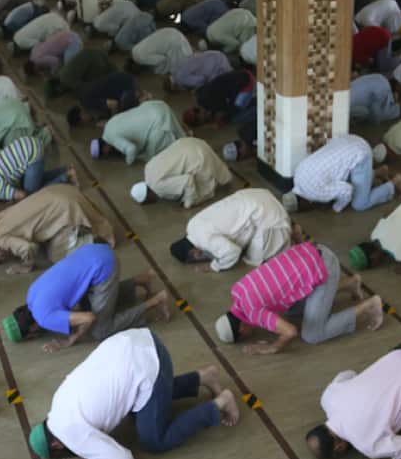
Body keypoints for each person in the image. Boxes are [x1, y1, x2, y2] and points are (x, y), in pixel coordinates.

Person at [29, 328, 240, 459]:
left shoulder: (70, 434)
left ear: (57, 444)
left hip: (151, 364)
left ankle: (220, 403)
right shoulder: (57, 404)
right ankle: (204, 377)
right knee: (136, 408)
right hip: (138, 339)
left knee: (154, 441)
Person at [215, 241, 385, 354]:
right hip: (310, 251)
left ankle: (369, 305)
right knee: (291, 311)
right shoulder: (237, 290)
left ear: (242, 331)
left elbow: (290, 332)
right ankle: (350, 283)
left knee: (312, 334)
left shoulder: (253, 313)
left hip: (325, 266)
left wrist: (271, 348)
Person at [2, 243, 168, 351]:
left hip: (104, 266)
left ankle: (155, 301)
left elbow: (89, 317)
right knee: (93, 304)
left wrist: (71, 339)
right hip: (92, 251)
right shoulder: (31, 294)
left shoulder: (45, 318)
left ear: (31, 329)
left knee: (100, 330)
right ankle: (142, 279)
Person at [0, 185, 114, 272]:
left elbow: (29, 248)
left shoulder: (2, 240)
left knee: (55, 256)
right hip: (58, 190)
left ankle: (91, 240)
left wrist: (26, 266)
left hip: (64, 206)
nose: (4, 259)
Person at [169, 188, 298, 272]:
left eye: (194, 258)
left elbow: (233, 252)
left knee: (254, 261)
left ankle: (292, 232)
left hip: (266, 213)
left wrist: (213, 266)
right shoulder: (191, 225)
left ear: (194, 253)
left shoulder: (206, 241)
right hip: (256, 194)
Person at [286, 134, 401, 213]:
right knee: (344, 180)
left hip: (360, 154)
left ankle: (395, 183)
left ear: (303, 205)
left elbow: (347, 190)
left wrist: (336, 208)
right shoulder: (298, 175)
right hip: (346, 141)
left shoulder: (316, 193)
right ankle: (380, 172)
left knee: (359, 204)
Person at [131, 136, 232, 208]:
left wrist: (187, 204)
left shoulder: (158, 188)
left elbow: (187, 180)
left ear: (147, 197)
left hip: (198, 157)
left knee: (199, 194)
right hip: (189, 142)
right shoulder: (147, 169)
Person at [0, 136, 74, 207]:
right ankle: (65, 169)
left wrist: (14, 205)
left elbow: (23, 195)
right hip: (29, 142)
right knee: (34, 182)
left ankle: (67, 176)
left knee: (32, 195)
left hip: (32, 155)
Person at [91, 100, 188, 166]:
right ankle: (185, 134)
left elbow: (131, 149)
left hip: (157, 120)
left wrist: (128, 163)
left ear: (104, 149)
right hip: (155, 105)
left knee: (150, 158)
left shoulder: (112, 138)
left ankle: (183, 144)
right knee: (180, 134)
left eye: (105, 154)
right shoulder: (108, 125)